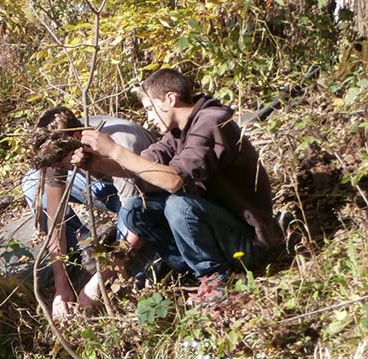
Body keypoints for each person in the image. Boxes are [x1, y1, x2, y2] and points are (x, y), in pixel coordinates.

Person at [76, 68, 279, 305]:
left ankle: (214, 279)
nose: (149, 117)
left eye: (150, 108)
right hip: (219, 230)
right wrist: (95, 162)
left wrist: (114, 149)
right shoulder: (178, 133)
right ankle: (193, 272)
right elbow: (141, 165)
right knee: (134, 210)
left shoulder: (211, 124)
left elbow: (173, 181)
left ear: (170, 99)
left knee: (178, 205)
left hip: (247, 240)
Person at [22, 107, 157, 318]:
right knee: (32, 183)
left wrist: (98, 283)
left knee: (130, 217)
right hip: (98, 183)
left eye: (62, 163)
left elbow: (139, 216)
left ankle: (115, 264)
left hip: (146, 196)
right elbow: (54, 217)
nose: (59, 168)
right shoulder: (55, 143)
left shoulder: (120, 143)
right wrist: (61, 285)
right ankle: (84, 252)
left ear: (77, 138)